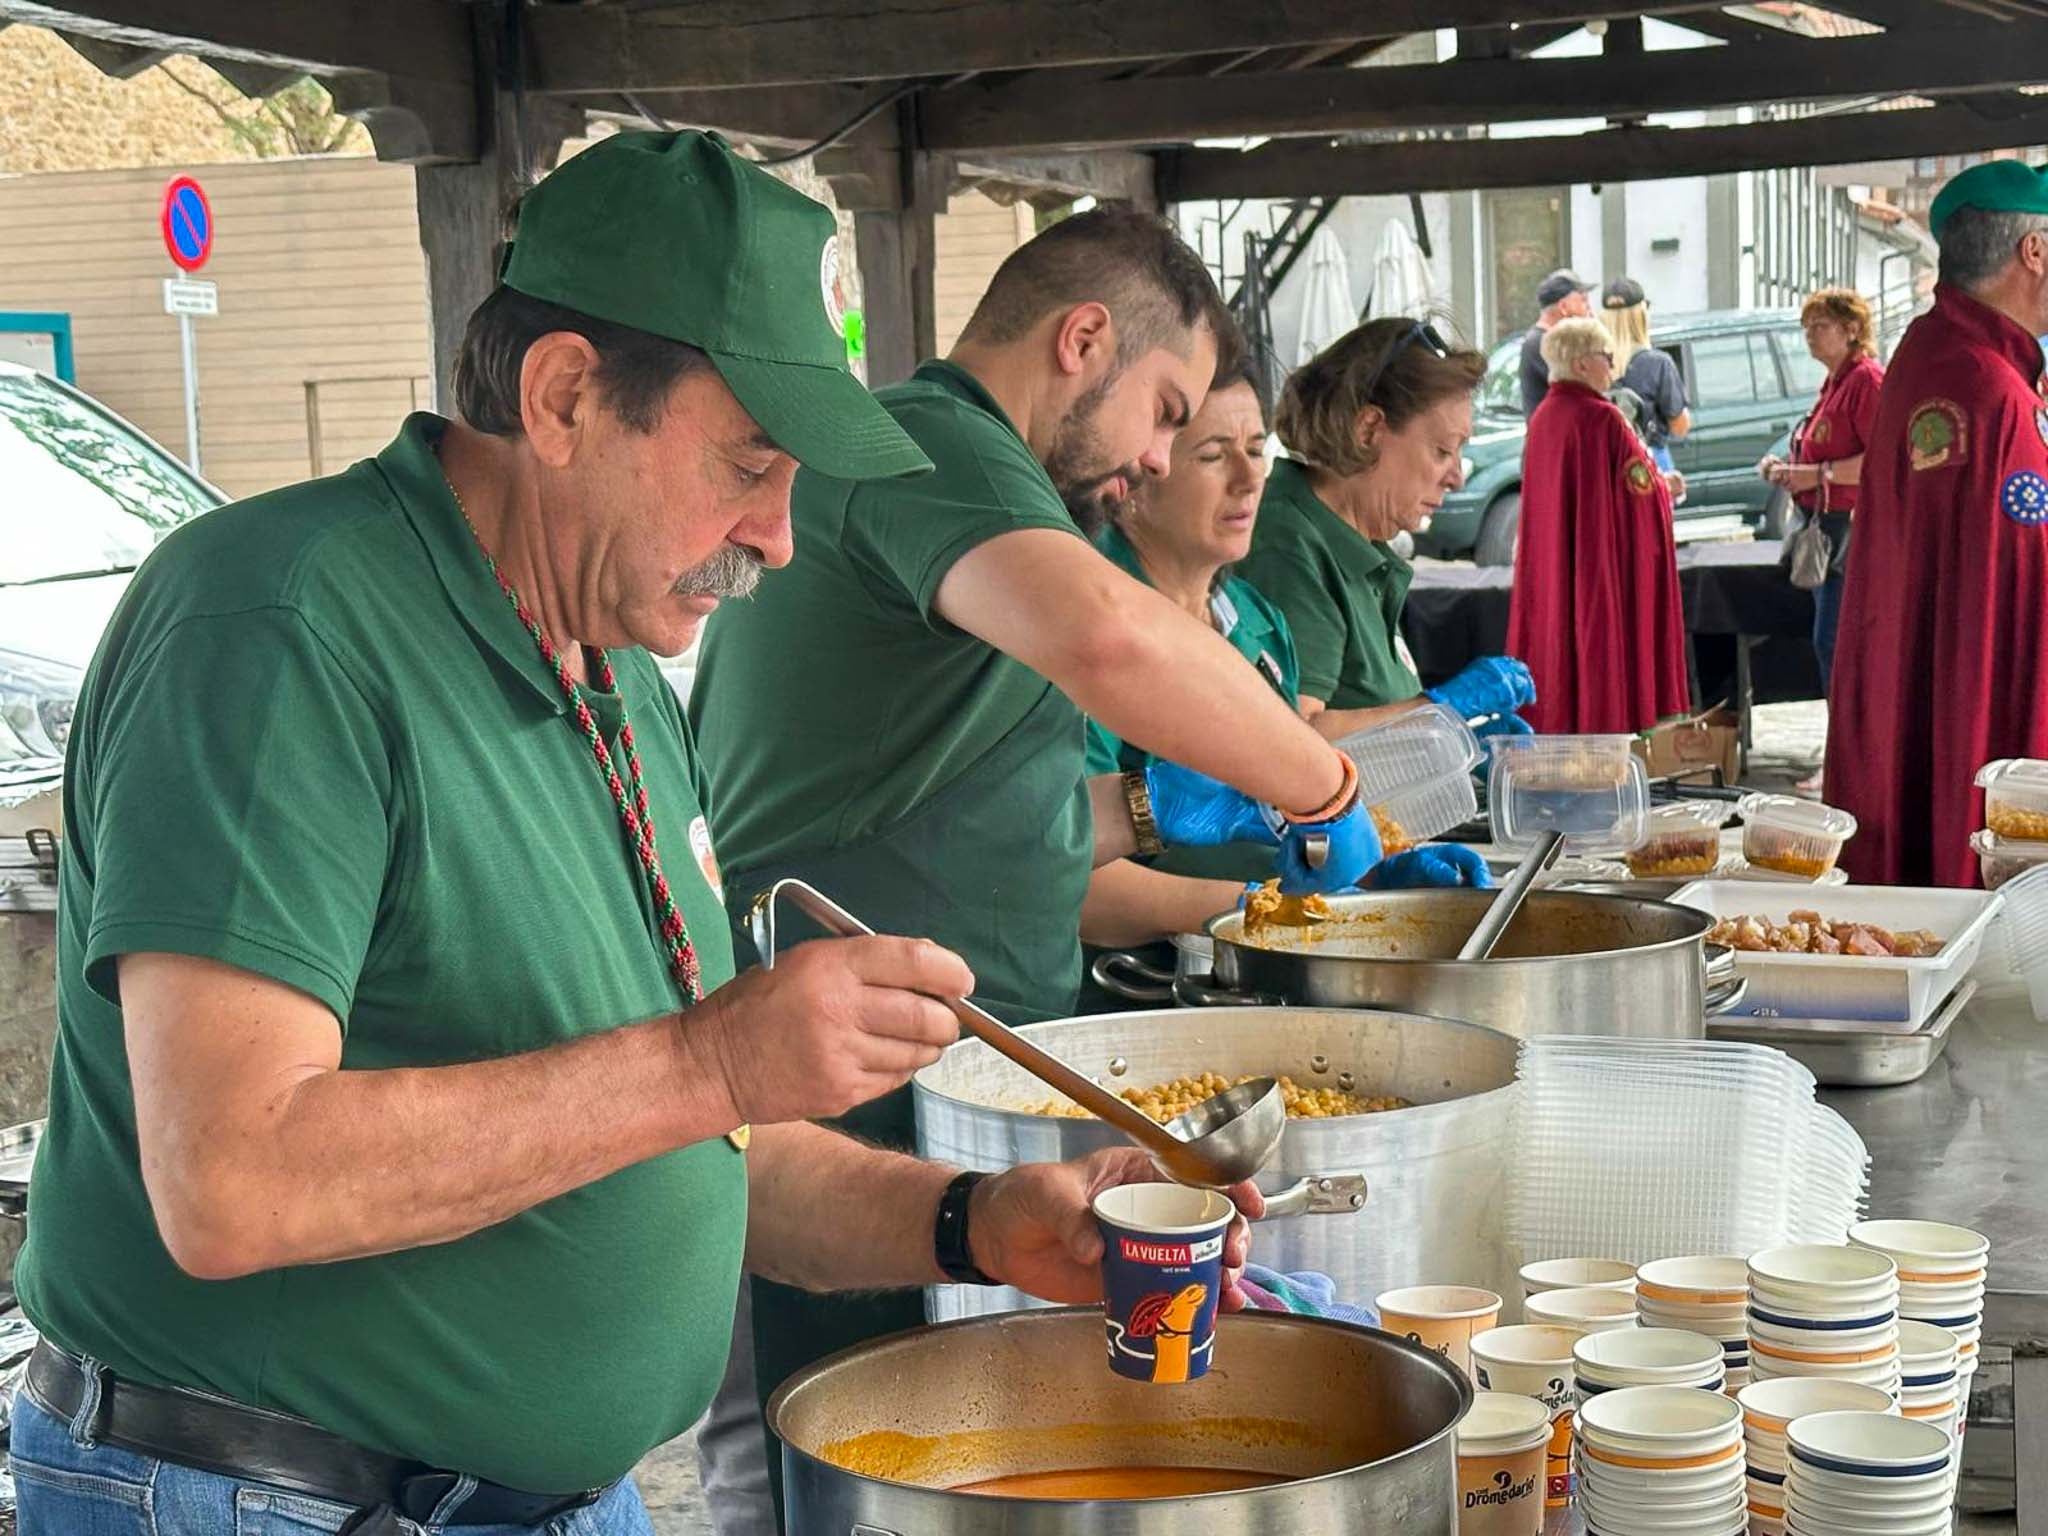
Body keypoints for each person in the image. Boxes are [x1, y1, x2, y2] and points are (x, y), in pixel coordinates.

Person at [6, 131, 1263, 1536]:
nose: (782, 537)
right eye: (748, 464)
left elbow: (682, 1128)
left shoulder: (610, 675)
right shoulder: (280, 622)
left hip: (545, 1500)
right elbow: (232, 1180)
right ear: (564, 399)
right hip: (269, 1497)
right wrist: (715, 1055)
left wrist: (971, 1218)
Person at [687, 206, 1380, 1527]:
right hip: (848, 1109)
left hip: (952, 1084)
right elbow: (1110, 642)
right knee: (840, 1479)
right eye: (1167, 414)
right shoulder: (931, 443)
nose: (1160, 461)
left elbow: (994, 795)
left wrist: (1187, 825)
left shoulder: (979, 498)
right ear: (1083, 341)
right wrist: (1318, 781)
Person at [1080, 338, 1491, 986]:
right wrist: (1260, 909)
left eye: (1254, 451)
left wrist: (1377, 875)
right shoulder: (1087, 626)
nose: (1251, 479)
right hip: (1140, 985)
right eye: (1215, 455)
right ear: (1137, 474)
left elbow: (1289, 826)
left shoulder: (1257, 623)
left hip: (1265, 975)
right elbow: (1072, 887)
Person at [1826, 161, 2048, 887]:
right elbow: (2023, 581)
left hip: (1921, 684)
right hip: (1977, 704)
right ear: (2034, 253)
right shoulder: (1992, 387)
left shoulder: (1929, 350)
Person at [1235, 317, 1538, 744]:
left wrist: (1454, 743)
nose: (1456, 478)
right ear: (1369, 430)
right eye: (1441, 450)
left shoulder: (1354, 540)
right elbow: (1294, 741)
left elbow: (1369, 719)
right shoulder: (1289, 544)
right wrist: (1441, 713)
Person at [1507, 316, 1691, 734]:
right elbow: (1639, 495)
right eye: (1606, 357)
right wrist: (1665, 487)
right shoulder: (1602, 419)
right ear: (1582, 363)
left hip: (1556, 566)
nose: (1613, 367)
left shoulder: (1544, 418)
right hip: (1596, 569)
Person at [1759, 288, 1884, 755]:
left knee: (1836, 642)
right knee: (1828, 642)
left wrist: (1816, 474)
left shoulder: (1866, 381)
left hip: (1846, 528)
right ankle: (1845, 749)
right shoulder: (1835, 382)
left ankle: (1854, 752)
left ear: (1852, 330)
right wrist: (1788, 470)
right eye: (1806, 327)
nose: (1810, 336)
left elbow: (1881, 459)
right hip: (1821, 523)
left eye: (1821, 326)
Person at [1600, 275, 1692, 471]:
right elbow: (1680, 427)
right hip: (1649, 461)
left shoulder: (1589, 363)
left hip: (1602, 463)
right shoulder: (1658, 364)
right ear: (1641, 315)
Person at [1519, 268, 1595, 419]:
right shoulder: (1540, 343)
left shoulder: (1550, 341)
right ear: (1563, 307)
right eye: (1583, 301)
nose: (1589, 310)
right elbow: (1584, 389)